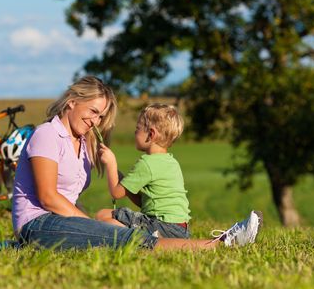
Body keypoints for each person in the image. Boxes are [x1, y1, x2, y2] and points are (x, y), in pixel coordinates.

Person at [12, 75, 261, 251]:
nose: (95, 121)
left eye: (101, 116)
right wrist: (86, 224)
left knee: (116, 234)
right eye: (93, 111)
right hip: (37, 223)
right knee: (128, 239)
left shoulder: (80, 142)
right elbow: (48, 197)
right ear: (72, 102)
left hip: (60, 222)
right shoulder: (47, 134)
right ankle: (219, 244)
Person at [95, 103, 261, 241]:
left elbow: (116, 193)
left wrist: (111, 164)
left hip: (162, 226)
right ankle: (148, 237)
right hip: (180, 229)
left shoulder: (147, 163)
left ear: (151, 134)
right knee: (109, 217)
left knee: (102, 215)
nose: (134, 132)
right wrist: (123, 179)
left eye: (138, 128)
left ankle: (140, 240)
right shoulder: (170, 161)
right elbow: (145, 202)